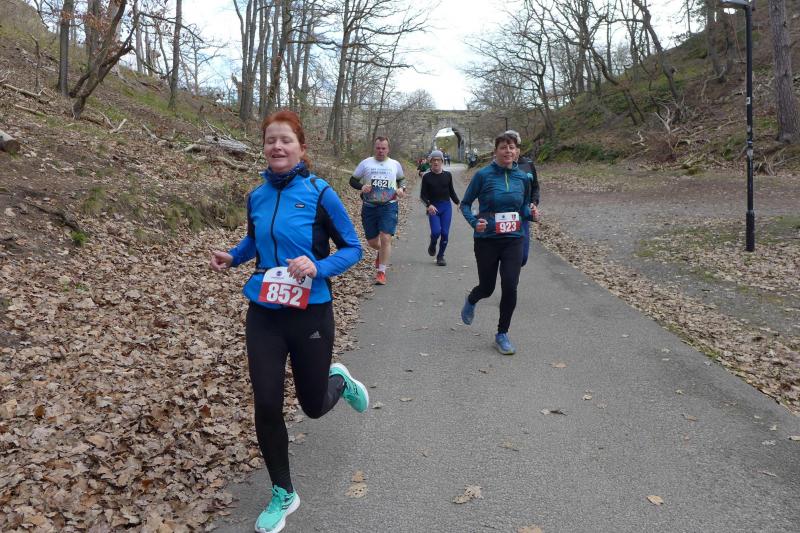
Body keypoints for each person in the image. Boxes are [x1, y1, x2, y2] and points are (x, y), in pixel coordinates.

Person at [209, 110, 369, 533]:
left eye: (285, 140)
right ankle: (283, 492)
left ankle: (339, 382)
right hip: (264, 312)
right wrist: (233, 256)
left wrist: (318, 266)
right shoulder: (257, 195)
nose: (277, 146)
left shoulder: (320, 193)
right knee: (266, 403)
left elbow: (353, 248)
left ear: (301, 148)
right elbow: (255, 240)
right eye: (270, 140)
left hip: (310, 312)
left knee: (312, 407)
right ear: (263, 147)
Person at [459, 131, 532, 355]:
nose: (508, 151)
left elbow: (524, 207)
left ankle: (502, 334)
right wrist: (475, 222)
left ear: (517, 152)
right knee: (487, 288)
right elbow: (465, 204)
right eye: (503, 147)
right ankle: (472, 298)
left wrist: (532, 213)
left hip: (514, 239)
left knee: (510, 285)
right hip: (487, 240)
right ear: (496, 151)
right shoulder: (483, 175)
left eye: (512, 147)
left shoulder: (523, 178)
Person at [349, 136, 406, 285]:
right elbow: (352, 180)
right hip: (369, 206)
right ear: (375, 148)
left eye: (383, 148)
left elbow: (402, 180)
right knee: (373, 242)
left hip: (389, 205)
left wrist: (401, 189)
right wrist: (361, 187)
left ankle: (381, 272)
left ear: (388, 149)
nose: (381, 151)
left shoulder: (395, 164)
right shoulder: (366, 163)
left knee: (386, 237)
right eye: (378, 148)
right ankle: (381, 253)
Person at [504, 130, 541, 267]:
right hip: (504, 215)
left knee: (523, 257)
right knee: (508, 253)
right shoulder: (499, 167)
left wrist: (534, 202)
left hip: (523, 214)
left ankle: (511, 270)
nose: (510, 150)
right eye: (506, 146)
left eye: (514, 146)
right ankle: (508, 273)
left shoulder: (528, 164)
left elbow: (535, 187)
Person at [420, 149, 460, 266]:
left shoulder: (448, 175)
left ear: (442, 161)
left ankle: (440, 256)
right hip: (434, 208)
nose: (436, 162)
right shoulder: (427, 177)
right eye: (434, 160)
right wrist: (429, 205)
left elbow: (451, 191)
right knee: (436, 232)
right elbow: (422, 195)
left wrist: (458, 202)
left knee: (445, 233)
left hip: (446, 207)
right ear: (430, 162)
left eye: (438, 160)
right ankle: (433, 242)